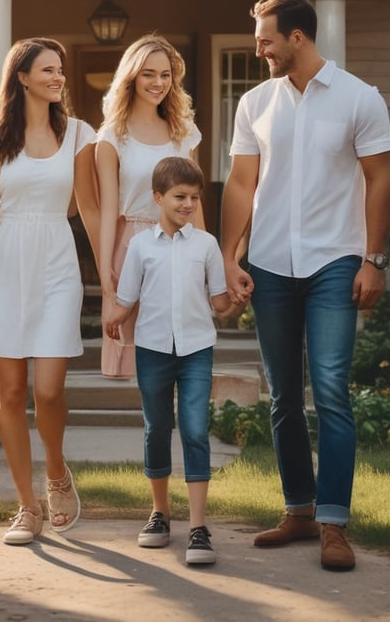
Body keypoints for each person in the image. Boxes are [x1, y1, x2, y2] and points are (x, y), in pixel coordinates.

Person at [221, 0, 390, 571]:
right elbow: (242, 184)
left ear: (298, 37)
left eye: (266, 39)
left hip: (334, 263)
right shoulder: (254, 103)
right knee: (283, 399)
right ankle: (298, 509)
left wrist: (375, 258)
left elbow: (380, 180)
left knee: (332, 393)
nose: (259, 49)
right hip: (269, 264)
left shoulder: (358, 98)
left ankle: (334, 523)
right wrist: (230, 256)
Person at [0, 37, 98, 546]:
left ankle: (56, 472)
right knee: (10, 392)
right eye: (48, 70)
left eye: (61, 70)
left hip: (56, 263)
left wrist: (112, 273)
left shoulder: (79, 133)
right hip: (4, 268)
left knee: (49, 389)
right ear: (23, 78)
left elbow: (87, 208)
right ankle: (26, 506)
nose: (59, 77)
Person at [105, 157, 238, 565]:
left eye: (194, 198)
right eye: (180, 196)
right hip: (153, 350)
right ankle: (159, 515)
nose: (188, 204)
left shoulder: (207, 245)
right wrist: (114, 317)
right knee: (156, 428)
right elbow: (126, 300)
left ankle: (198, 528)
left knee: (196, 429)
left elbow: (219, 304)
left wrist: (234, 302)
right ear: (158, 197)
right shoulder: (140, 246)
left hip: (197, 349)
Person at [96, 35, 201, 379]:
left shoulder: (183, 133)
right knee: (135, 366)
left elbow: (193, 203)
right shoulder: (112, 137)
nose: (158, 83)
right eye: (148, 74)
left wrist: (205, 261)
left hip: (179, 245)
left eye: (165, 75)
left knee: (176, 357)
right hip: (130, 248)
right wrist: (108, 285)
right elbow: (109, 211)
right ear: (131, 77)